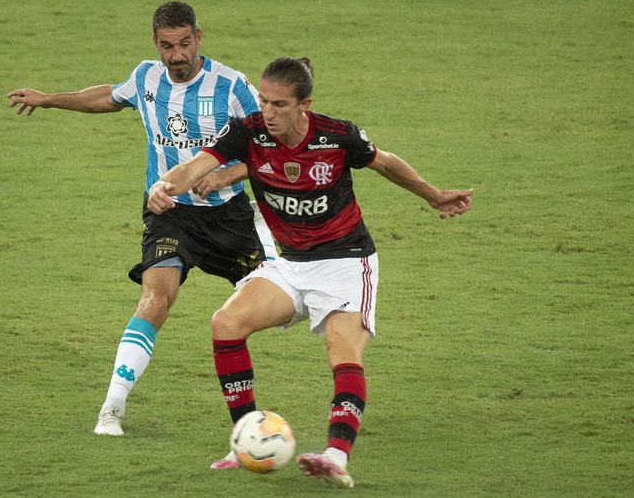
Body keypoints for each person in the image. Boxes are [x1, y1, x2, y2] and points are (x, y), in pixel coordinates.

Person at [147, 56, 473, 488]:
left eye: (280, 104)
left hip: (345, 263)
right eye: (264, 101)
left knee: (342, 350)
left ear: (305, 104)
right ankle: (247, 438)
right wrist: (164, 185)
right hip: (293, 264)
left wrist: (433, 195)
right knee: (226, 323)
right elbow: (195, 167)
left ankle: (336, 455)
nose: (268, 112)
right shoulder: (248, 132)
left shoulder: (337, 135)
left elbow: (385, 161)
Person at [7, 1, 277, 437]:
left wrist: (228, 172)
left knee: (287, 304)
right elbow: (110, 97)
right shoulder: (146, 76)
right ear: (156, 43)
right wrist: (50, 99)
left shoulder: (232, 85)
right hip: (168, 211)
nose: (177, 56)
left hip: (231, 218)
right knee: (156, 300)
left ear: (199, 38)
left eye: (185, 44)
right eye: (168, 46)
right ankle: (111, 409)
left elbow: (272, 143)